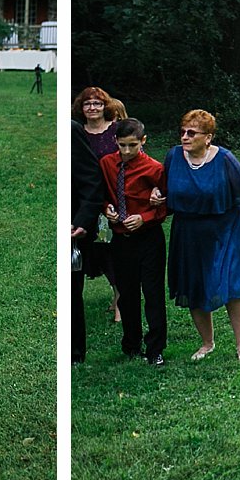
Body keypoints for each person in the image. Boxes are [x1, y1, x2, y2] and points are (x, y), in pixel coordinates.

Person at [157, 110, 240, 360]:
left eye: (191, 133)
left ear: (208, 137)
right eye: (183, 132)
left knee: (233, 283)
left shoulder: (225, 158)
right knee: (193, 284)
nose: (185, 137)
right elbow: (164, 190)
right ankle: (207, 343)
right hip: (188, 232)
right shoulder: (174, 156)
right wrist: (157, 196)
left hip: (225, 229)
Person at [100, 118, 167, 365]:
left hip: (149, 238)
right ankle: (130, 345)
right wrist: (107, 208)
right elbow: (103, 195)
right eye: (122, 145)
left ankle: (155, 349)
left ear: (143, 141)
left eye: (132, 145)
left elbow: (167, 204)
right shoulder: (107, 164)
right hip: (120, 239)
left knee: (153, 293)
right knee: (126, 295)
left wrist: (145, 217)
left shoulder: (155, 169)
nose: (127, 151)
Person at [75, 87, 123, 320]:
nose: (92, 108)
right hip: (90, 200)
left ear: (106, 107)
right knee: (101, 249)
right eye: (87, 104)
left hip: (116, 197)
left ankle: (119, 299)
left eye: (97, 103)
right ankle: (115, 292)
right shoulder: (78, 132)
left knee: (115, 249)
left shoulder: (115, 131)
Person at [69, 114, 104, 364]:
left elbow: (92, 182)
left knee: (70, 292)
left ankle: (74, 353)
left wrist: (83, 221)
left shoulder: (70, 131)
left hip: (71, 227)